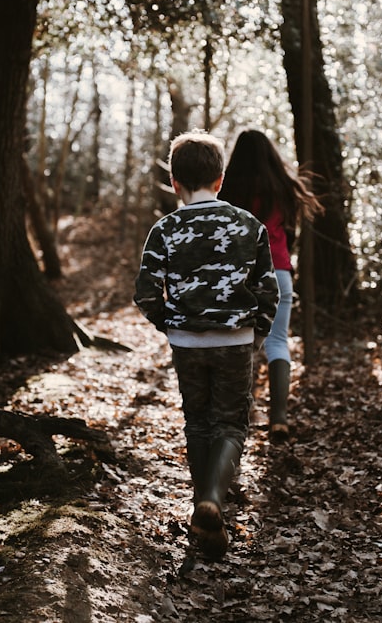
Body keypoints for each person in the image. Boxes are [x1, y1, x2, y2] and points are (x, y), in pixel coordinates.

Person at [134, 130, 280, 560]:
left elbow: (145, 293)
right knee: (231, 424)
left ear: (175, 183)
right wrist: (257, 333)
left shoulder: (164, 229)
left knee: (197, 422)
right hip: (236, 340)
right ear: (220, 179)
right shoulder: (248, 226)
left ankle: (204, 506)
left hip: (187, 344)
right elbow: (269, 289)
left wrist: (172, 326)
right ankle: (212, 501)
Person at [220, 128, 324, 441]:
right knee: (277, 342)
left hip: (240, 275)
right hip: (278, 272)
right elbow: (291, 233)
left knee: (241, 343)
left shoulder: (228, 190)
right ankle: (279, 418)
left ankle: (240, 416)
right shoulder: (283, 188)